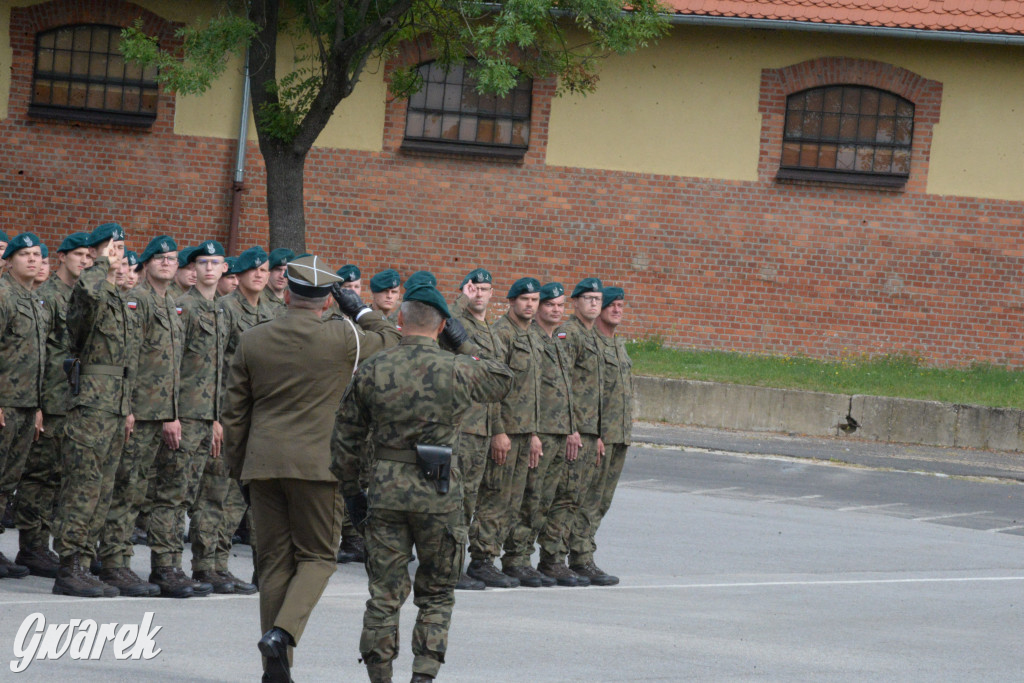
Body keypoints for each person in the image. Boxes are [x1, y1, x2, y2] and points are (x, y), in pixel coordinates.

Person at [223, 255, 400, 683]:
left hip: (263, 463)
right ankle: (283, 633)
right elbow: (391, 339)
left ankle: (275, 669)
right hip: (320, 464)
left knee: (274, 563)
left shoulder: (254, 337)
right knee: (319, 556)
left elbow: (234, 414)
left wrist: (239, 469)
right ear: (326, 301)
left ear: (286, 292)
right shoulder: (345, 337)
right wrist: (356, 306)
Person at [331, 282, 513, 683]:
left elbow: (344, 438)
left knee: (384, 594)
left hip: (386, 493)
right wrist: (463, 343)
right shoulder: (458, 368)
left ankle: (380, 676)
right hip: (439, 493)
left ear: (400, 319)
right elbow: (503, 378)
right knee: (437, 592)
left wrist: (350, 492)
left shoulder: (376, 368)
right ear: (443, 325)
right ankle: (424, 675)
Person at [95, 235, 184, 598]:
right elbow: (129, 360)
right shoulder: (139, 301)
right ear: (145, 264)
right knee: (127, 491)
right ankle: (114, 562)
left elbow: (174, 368)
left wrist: (173, 413)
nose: (166, 263)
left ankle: (123, 560)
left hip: (162, 412)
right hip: (141, 413)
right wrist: (129, 408)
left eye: (172, 258)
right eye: (159, 258)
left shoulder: (172, 304)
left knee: (145, 492)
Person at [51, 222, 135, 598]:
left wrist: (128, 407)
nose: (117, 255)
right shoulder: (90, 293)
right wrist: (100, 262)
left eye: (119, 249)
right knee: (81, 487)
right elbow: (86, 293)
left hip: (114, 407)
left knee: (101, 489)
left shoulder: (117, 298)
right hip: (90, 408)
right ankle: (68, 566)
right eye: (110, 249)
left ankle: (84, 564)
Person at [192, 247, 273, 587]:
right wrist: (215, 417)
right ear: (237, 275)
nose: (259, 273)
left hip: (258, 418)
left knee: (238, 498)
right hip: (227, 411)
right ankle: (205, 565)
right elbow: (212, 367)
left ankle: (221, 564)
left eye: (264, 269)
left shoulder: (271, 313)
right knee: (215, 491)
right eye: (252, 269)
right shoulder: (224, 309)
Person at [13, 233, 92, 578]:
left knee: (61, 477)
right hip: (48, 398)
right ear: (61, 257)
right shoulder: (46, 296)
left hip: (74, 400)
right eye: (78, 255)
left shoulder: (84, 296)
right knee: (39, 475)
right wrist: (40, 403)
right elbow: (39, 354)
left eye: (90, 256)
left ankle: (46, 546)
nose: (85, 261)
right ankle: (32, 546)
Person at [504, 282, 586, 586]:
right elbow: (529, 392)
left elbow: (565, 391)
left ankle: (539, 560)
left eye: (560, 305)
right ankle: (516, 558)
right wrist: (534, 433)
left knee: (549, 499)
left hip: (560, 431)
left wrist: (571, 428)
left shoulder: (559, 341)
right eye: (549, 304)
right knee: (531, 499)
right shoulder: (531, 338)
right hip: (538, 431)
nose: (556, 310)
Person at [466, 277, 543, 589]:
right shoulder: (501, 334)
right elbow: (492, 388)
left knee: (513, 500)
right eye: (524, 299)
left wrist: (534, 433)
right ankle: (481, 559)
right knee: (494, 496)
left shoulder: (533, 336)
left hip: (524, 431)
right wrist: (498, 430)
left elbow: (533, 391)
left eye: (534, 300)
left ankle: (502, 558)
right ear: (511, 301)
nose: (530, 305)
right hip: (505, 431)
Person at [553, 278, 619, 585]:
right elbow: (563, 383)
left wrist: (599, 434)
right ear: (576, 302)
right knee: (567, 496)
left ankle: (578, 557)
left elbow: (597, 392)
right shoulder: (571, 334)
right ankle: (553, 558)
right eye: (588, 298)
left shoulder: (593, 336)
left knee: (584, 499)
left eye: (597, 299)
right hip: (576, 431)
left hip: (592, 432)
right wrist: (571, 428)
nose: (594, 303)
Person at [444, 268, 503, 590]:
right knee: (456, 500)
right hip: (461, 427)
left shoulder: (490, 331)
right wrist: (459, 300)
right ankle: (450, 568)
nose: (480, 294)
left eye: (485, 289)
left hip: (482, 429)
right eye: (474, 289)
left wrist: (497, 430)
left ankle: (460, 563)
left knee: (469, 502)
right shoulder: (458, 324)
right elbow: (441, 328)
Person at [574, 286, 633, 583]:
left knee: (602, 502)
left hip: (618, 435)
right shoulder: (590, 343)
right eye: (612, 306)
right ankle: (580, 557)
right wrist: (593, 433)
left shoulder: (618, 345)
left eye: (621, 306)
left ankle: (584, 551)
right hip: (598, 436)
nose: (617, 310)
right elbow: (586, 393)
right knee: (589, 498)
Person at [0, 233, 47, 580]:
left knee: (7, 480)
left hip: (26, 404)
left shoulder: (34, 300)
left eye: (36, 255)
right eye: (24, 254)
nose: (32, 260)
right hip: (5, 403)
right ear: (10, 260)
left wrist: (38, 406)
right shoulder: (3, 295)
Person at [265, 248, 294, 317]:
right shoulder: (257, 297)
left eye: (286, 271)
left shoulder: (294, 300)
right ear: (269, 271)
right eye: (278, 270)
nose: (282, 276)